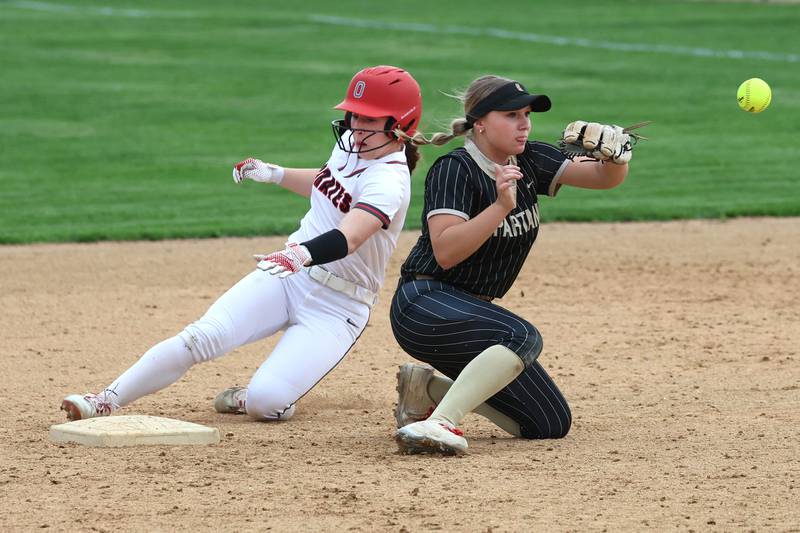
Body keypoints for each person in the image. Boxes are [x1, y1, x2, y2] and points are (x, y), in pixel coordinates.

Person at [61, 65, 423, 422]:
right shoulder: (352, 147)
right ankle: (106, 399)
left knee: (265, 404)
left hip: (338, 305)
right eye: (353, 116)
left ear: (400, 126)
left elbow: (352, 236)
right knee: (201, 337)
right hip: (289, 276)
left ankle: (264, 395)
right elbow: (329, 184)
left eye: (370, 121)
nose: (356, 128)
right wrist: (275, 174)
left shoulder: (389, 181)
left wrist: (299, 253)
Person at [390, 75, 635, 455]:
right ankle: (442, 421)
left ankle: (427, 391)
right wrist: (501, 206)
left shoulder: (530, 159)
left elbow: (604, 179)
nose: (524, 123)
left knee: (548, 423)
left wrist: (618, 155)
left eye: (526, 114)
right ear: (481, 122)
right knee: (521, 336)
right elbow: (446, 251)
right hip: (424, 304)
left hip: (474, 319)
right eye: (511, 115)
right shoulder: (455, 169)